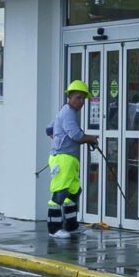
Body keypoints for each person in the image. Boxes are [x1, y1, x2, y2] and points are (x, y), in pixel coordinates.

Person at [45, 79, 94, 239]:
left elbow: (49, 129)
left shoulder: (65, 112)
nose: (81, 102)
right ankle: (54, 229)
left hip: (69, 158)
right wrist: (92, 138)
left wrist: (57, 137)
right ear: (70, 97)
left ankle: (71, 226)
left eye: (83, 99)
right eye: (78, 98)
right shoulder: (68, 113)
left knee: (73, 192)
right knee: (59, 194)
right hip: (63, 159)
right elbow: (76, 135)